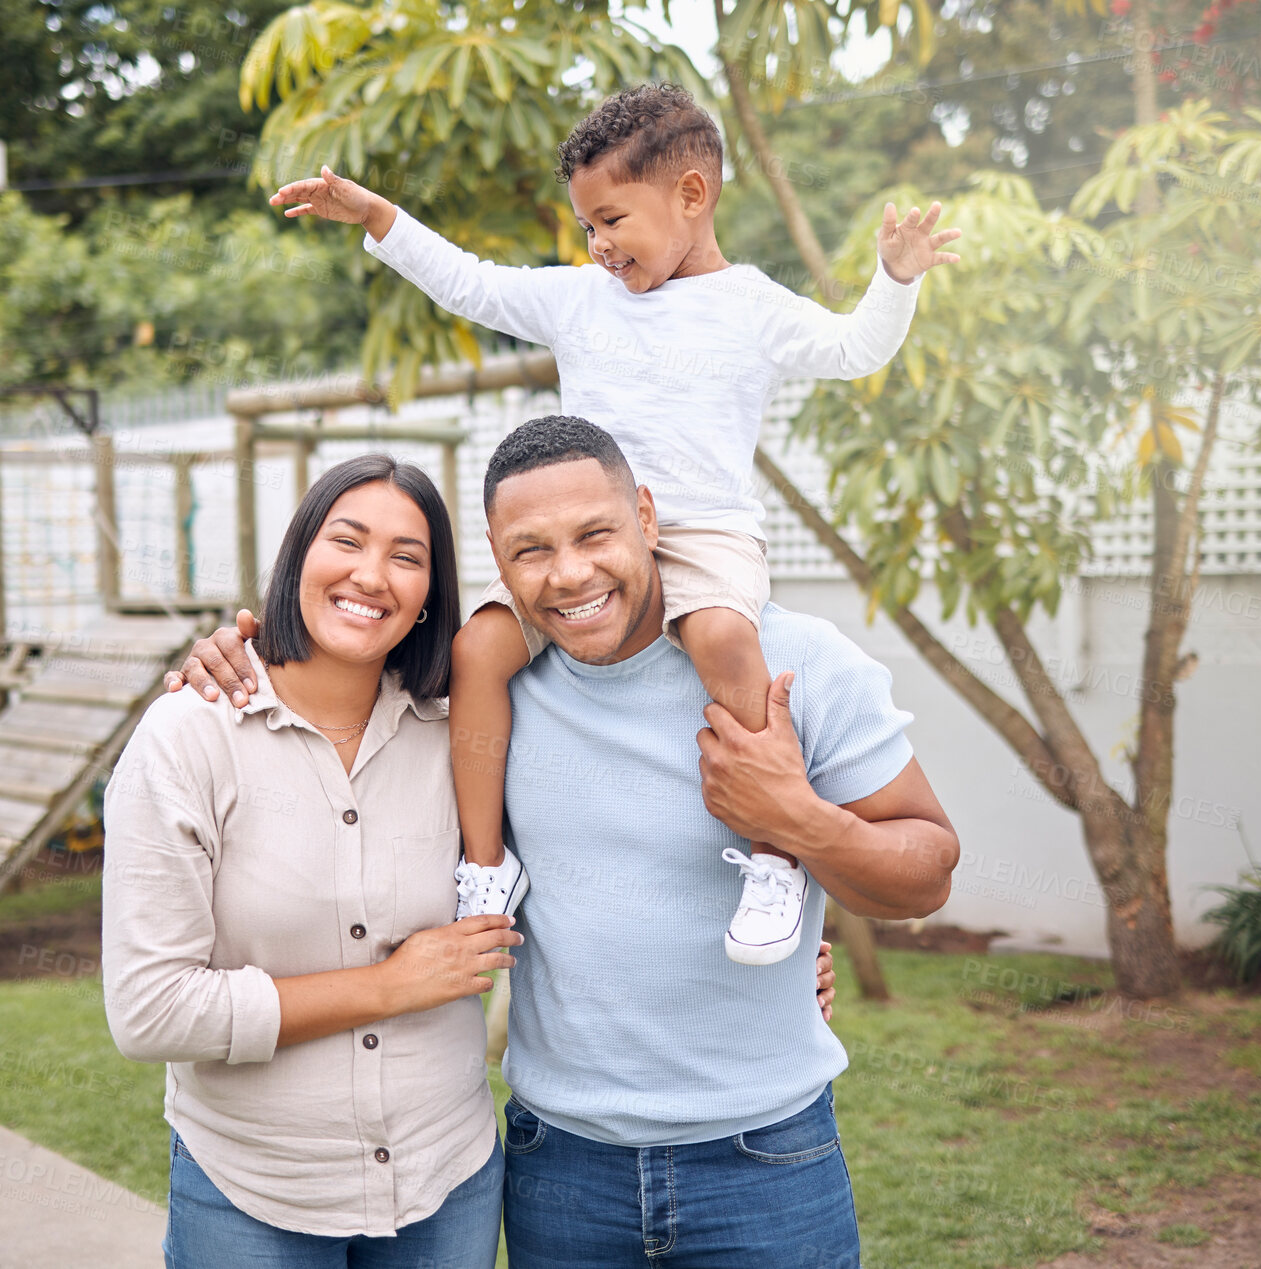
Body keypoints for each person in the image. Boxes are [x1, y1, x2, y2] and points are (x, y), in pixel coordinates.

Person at [176, 416, 959, 1268]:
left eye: (597, 534)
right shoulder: (480, 696)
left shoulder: (794, 662)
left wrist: (798, 821)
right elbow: (334, 672)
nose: (571, 572)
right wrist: (228, 654)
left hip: (764, 1158)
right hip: (561, 1169)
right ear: (495, 556)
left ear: (648, 519)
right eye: (532, 549)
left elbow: (927, 872)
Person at [269, 83, 961, 966]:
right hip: (579, 541)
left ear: (692, 196)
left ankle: (775, 859)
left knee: (721, 638)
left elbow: (854, 350)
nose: (598, 246)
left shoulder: (750, 306)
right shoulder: (578, 301)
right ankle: (485, 866)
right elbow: (471, 284)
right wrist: (378, 217)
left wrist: (894, 280)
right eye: (587, 227)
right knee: (479, 650)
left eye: (612, 221)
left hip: (704, 530)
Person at [101, 454, 519, 1267]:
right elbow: (149, 1010)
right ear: (299, 556)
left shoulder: (465, 731)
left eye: (407, 556)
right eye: (348, 541)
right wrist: (389, 986)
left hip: (449, 1179)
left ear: (432, 591)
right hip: (255, 1195)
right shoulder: (189, 735)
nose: (372, 574)